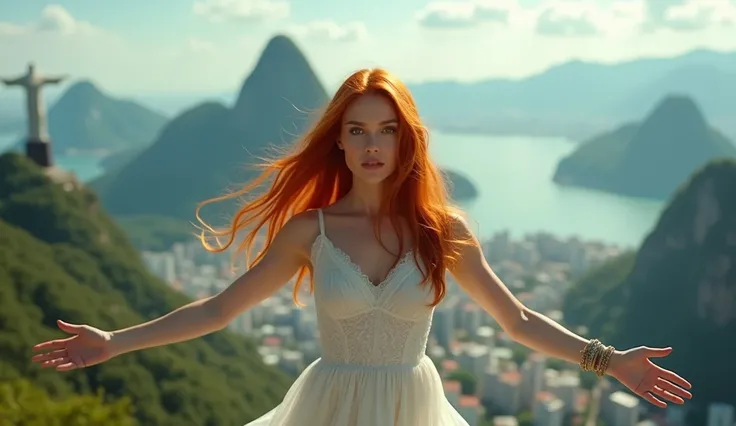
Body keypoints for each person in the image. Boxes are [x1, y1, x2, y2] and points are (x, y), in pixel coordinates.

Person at [31, 68, 692, 425]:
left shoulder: (446, 233)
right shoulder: (308, 233)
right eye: (358, 130)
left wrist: (608, 362)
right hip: (329, 408)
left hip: (416, 410)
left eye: (387, 129)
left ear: (407, 141)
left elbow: (514, 321)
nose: (373, 144)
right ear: (339, 142)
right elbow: (216, 311)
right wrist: (114, 342)